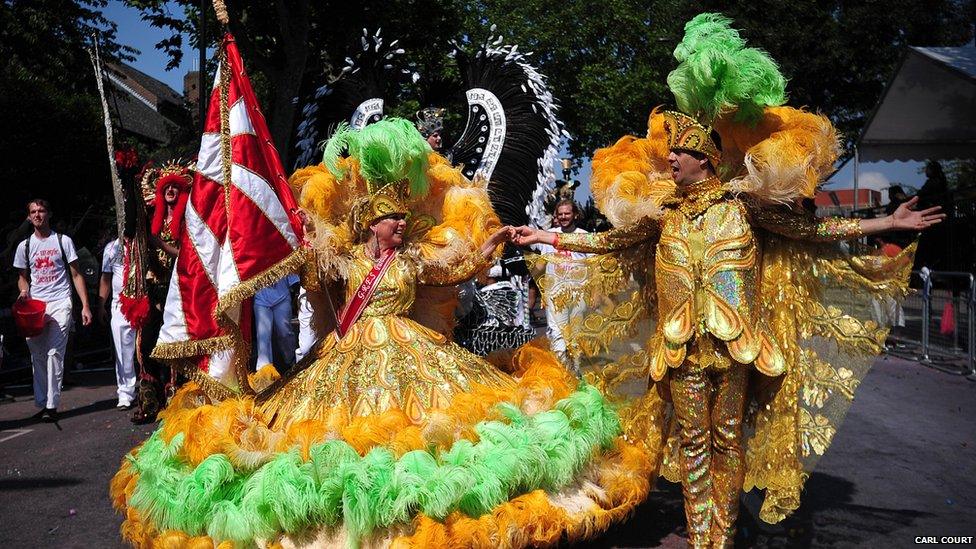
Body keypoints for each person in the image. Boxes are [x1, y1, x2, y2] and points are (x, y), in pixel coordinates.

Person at [111, 118, 653, 548]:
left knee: (429, 433)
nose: (401, 224)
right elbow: (300, 258)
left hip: (414, 354)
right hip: (345, 356)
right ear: (371, 222)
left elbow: (456, 269)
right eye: (392, 218)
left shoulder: (414, 258)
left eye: (401, 217)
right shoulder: (343, 257)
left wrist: (493, 244)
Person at [516, 14, 945, 546]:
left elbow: (815, 230)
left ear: (705, 158)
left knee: (728, 441)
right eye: (670, 151)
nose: (669, 159)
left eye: (680, 152)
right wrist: (546, 237)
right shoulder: (663, 214)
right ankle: (704, 538)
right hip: (679, 349)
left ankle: (723, 533)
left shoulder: (744, 207)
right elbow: (608, 242)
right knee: (693, 442)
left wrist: (889, 222)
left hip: (736, 346)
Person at [13, 199, 92, 420]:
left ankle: (51, 404)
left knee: (54, 352)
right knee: (37, 354)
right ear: (29, 217)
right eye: (33, 212)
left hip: (60, 302)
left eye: (41, 211)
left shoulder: (63, 241)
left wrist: (85, 306)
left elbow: (76, 275)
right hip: (36, 307)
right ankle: (41, 401)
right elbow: (22, 278)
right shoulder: (24, 246)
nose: (38, 215)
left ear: (49, 214)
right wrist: (23, 291)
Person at [530, 199, 590, 369]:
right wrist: (530, 278)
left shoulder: (584, 236)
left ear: (575, 215)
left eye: (567, 213)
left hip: (579, 294)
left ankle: (576, 372)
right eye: (560, 214)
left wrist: (596, 292)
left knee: (576, 336)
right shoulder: (549, 235)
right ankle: (563, 372)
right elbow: (542, 263)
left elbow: (593, 268)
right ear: (556, 216)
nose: (563, 217)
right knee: (557, 334)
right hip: (555, 294)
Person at [98, 236, 137, 409]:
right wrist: (101, 306)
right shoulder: (111, 247)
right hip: (120, 304)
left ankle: (152, 387)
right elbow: (106, 278)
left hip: (144, 300)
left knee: (146, 348)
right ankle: (126, 392)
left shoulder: (143, 242)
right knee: (123, 350)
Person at [253, 273, 299, 370]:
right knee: (263, 337)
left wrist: (296, 292)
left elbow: (293, 276)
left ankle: (291, 361)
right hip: (261, 299)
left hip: (282, 297)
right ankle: (264, 372)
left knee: (285, 332)